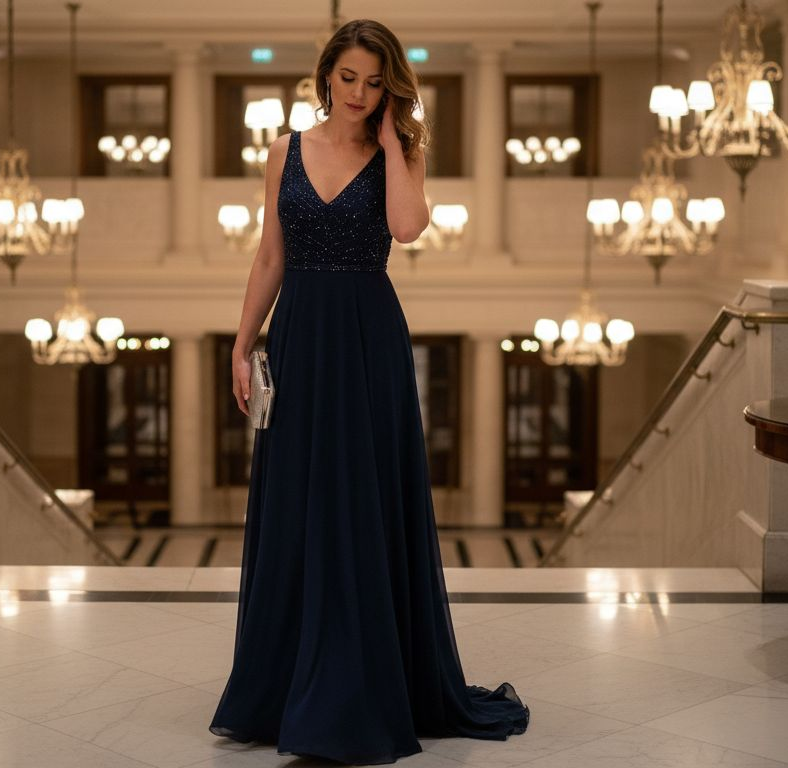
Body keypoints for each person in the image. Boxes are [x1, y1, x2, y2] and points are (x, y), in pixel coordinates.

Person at [209, 18, 530, 765]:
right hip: (299, 337)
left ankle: (355, 688)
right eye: (349, 77)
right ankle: (283, 686)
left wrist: (391, 140)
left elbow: (408, 229)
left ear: (390, 90)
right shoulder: (284, 150)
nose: (358, 93)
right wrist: (242, 342)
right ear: (326, 74)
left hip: (367, 340)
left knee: (361, 500)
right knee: (299, 501)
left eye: (375, 83)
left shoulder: (398, 152)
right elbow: (269, 256)